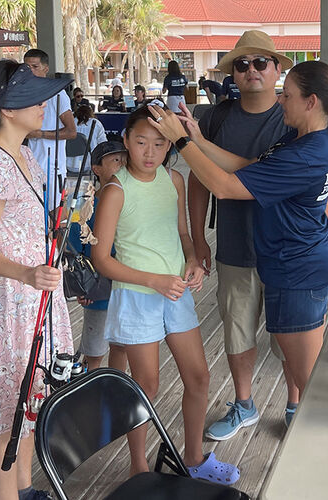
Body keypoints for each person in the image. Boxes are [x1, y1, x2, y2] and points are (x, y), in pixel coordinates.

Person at [153, 59, 328, 426]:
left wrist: (182, 142)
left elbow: (224, 187)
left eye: (288, 94)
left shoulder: (308, 152)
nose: (281, 100)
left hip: (298, 268)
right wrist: (201, 141)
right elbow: (248, 165)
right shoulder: (299, 137)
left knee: (308, 381)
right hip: (292, 263)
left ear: (311, 101)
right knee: (302, 368)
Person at [92, 106, 239, 484]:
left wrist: (192, 261)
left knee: (200, 377)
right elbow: (101, 260)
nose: (150, 152)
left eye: (159, 143)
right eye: (141, 142)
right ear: (125, 141)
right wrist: (153, 280)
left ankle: (193, 458)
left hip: (175, 293)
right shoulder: (115, 189)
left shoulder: (173, 179)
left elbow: (184, 235)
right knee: (147, 386)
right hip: (138, 296)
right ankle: (138, 467)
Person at [0, 59, 74, 500]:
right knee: (5, 414)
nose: (43, 104)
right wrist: (27, 272)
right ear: (5, 107)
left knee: (29, 403)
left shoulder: (24, 152)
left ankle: (24, 490)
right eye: (31, 97)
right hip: (11, 302)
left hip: (36, 295)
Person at [187, 30, 299, 438]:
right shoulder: (215, 117)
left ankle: (295, 403)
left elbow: (293, 175)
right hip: (235, 241)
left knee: (289, 330)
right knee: (237, 326)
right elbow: (199, 180)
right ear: (232, 73)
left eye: (260, 63)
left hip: (287, 245)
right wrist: (198, 239)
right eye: (241, 64)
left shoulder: (293, 116)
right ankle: (244, 402)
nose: (251, 70)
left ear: (277, 70)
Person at [67, 140, 128, 371]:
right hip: (98, 292)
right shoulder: (84, 204)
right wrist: (82, 288)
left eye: (124, 159)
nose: (122, 164)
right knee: (94, 352)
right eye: (115, 160)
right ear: (97, 169)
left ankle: (114, 388)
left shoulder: (130, 200)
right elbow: (75, 247)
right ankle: (90, 391)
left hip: (125, 288)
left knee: (121, 346)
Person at [23, 49, 78, 212]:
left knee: (54, 217)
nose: (30, 71)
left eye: (35, 67)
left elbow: (71, 132)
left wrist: (39, 134)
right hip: (28, 164)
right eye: (27, 67)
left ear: (46, 69)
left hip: (52, 168)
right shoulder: (23, 94)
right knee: (33, 214)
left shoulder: (58, 94)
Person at [67, 104, 107, 173]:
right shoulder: (96, 123)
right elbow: (103, 144)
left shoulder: (70, 122)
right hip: (89, 164)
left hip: (69, 164)